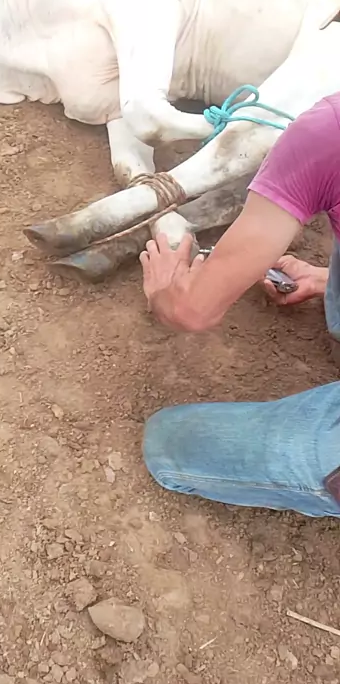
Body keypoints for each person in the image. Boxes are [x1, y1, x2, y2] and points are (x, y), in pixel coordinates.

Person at [140, 92, 340, 518]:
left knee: (168, 444)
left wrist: (164, 293)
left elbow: (193, 310)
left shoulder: (330, 130)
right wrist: (328, 279)